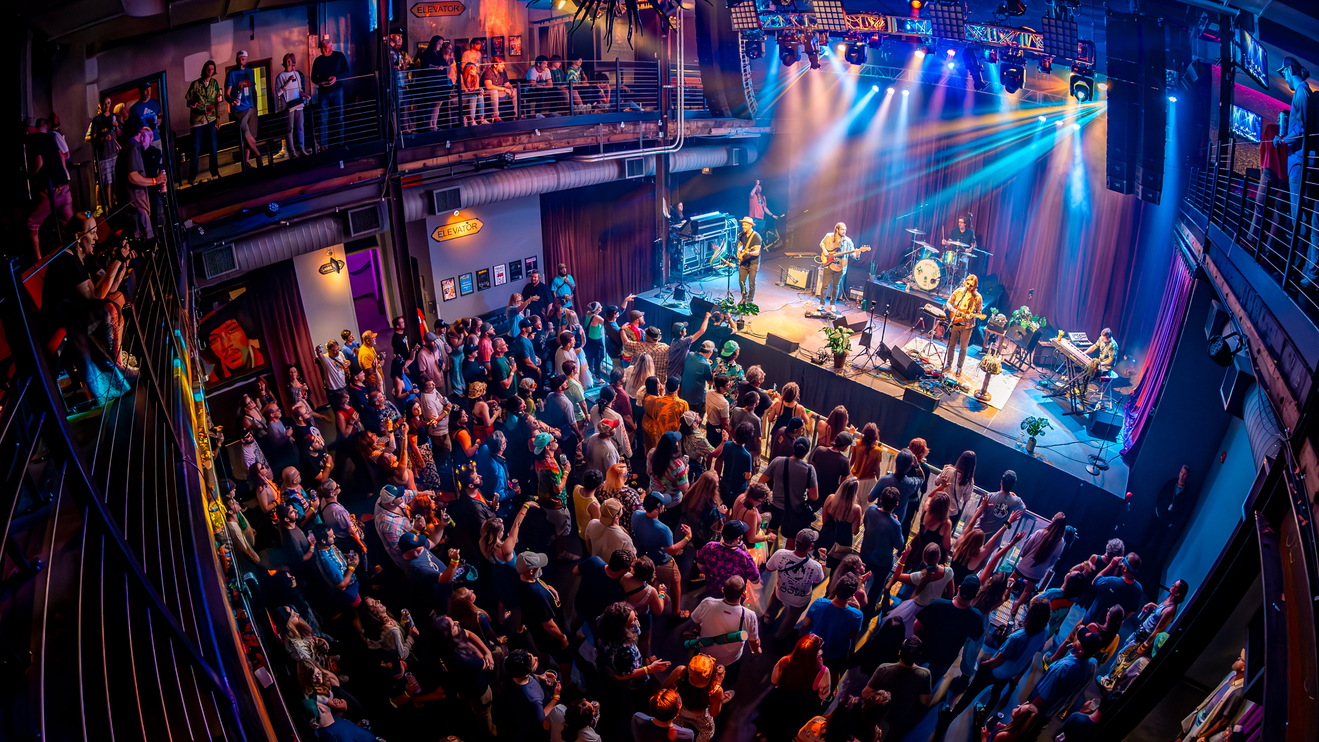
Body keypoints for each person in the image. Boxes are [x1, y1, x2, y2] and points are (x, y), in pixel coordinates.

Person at [937, 597, 1052, 737]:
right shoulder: (1045, 629)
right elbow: (1038, 649)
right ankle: (983, 714)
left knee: (971, 692)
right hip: (1012, 671)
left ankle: (950, 716)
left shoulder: (1017, 637)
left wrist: (984, 665)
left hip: (997, 670)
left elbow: (998, 660)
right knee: (996, 692)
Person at [1274, 56, 1319, 286]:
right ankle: (1307, 273)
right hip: (1306, 163)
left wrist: (1282, 140)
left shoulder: (1300, 92)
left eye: (1284, 74)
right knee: (1310, 219)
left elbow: (1299, 132)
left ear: (1290, 70)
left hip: (1298, 164)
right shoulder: (1307, 92)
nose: (1285, 78)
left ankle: (1293, 271)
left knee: (1298, 219)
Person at [688, 576, 761, 686]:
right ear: (743, 594)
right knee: (728, 681)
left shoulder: (707, 603)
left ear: (723, 590)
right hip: (730, 660)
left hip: (704, 654)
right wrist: (757, 651)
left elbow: (696, 622)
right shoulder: (749, 616)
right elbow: (753, 641)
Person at [915, 574, 986, 684]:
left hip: (921, 650)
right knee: (929, 684)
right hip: (945, 658)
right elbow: (976, 637)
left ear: (958, 588)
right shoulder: (975, 617)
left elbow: (917, 625)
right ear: (975, 596)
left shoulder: (938, 604)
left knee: (909, 675)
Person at [632, 493, 691, 616]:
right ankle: (676, 612)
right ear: (656, 510)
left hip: (643, 560)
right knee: (676, 579)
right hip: (661, 562)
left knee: (651, 582)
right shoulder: (663, 529)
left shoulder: (636, 515)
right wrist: (687, 537)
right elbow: (671, 550)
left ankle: (653, 603)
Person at [799, 573, 863, 686]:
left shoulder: (819, 603)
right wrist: (857, 608)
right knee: (834, 673)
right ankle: (829, 695)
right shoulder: (857, 615)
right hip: (837, 653)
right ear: (852, 595)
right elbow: (853, 636)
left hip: (815, 648)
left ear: (836, 588)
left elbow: (806, 623)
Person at [862, 637, 933, 739]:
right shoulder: (925, 674)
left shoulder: (884, 669)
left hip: (879, 713)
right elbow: (925, 701)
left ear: (900, 652)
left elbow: (865, 693)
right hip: (901, 717)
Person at [763, 528, 827, 640]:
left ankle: (767, 619)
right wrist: (822, 560)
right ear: (810, 547)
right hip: (799, 600)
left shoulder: (780, 554)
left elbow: (768, 568)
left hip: (781, 592)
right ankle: (780, 636)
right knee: (792, 618)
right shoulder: (815, 566)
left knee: (774, 602)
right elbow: (819, 579)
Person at [25, 118, 73, 261]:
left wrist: (29, 175)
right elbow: (61, 154)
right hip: (64, 188)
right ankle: (75, 256)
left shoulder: (33, 139)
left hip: (52, 192)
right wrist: (64, 173)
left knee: (31, 224)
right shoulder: (49, 137)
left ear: (29, 129)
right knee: (69, 225)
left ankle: (39, 263)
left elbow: (39, 162)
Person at [759, 437, 819, 551]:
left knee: (771, 533)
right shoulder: (810, 470)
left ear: (794, 447)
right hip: (795, 510)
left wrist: (768, 495)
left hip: (775, 506)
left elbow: (761, 481)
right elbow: (814, 496)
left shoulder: (778, 461)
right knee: (791, 538)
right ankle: (785, 563)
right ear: (806, 452)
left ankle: (766, 559)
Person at [1007, 512, 1068, 621]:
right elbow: (1054, 559)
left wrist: (1023, 556)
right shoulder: (1061, 542)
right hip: (1038, 572)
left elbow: (1027, 546)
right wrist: (1044, 567)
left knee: (1010, 580)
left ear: (1053, 521)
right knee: (1027, 590)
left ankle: (1002, 595)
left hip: (1024, 566)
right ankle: (1015, 608)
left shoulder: (1040, 532)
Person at [1175, 654, 1246, 742]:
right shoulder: (1232, 674)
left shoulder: (1237, 691)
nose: (1238, 658)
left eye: (1241, 659)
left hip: (1203, 724)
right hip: (1200, 713)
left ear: (1243, 668)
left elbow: (1224, 720)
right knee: (1181, 734)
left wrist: (1204, 735)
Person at [494, 648, 562, 740]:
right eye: (534, 661)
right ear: (530, 670)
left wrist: (540, 677)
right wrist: (556, 697)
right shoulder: (533, 698)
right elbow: (542, 719)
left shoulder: (509, 665)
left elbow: (524, 677)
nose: (536, 657)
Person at [859, 486, 905, 617]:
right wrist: (897, 523)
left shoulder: (870, 510)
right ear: (897, 503)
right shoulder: (895, 524)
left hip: (865, 554)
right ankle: (867, 611)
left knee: (860, 581)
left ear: (881, 499)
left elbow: (865, 523)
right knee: (876, 587)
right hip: (882, 562)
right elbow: (900, 544)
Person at [695, 520, 761, 595]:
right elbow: (756, 580)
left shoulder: (709, 546)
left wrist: (713, 574)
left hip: (711, 592)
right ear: (738, 538)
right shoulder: (744, 557)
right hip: (733, 597)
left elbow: (700, 565)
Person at [224, 51, 263, 169]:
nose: (241, 61)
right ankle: (258, 155)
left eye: (243, 59)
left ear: (246, 59)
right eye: (239, 59)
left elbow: (254, 90)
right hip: (239, 108)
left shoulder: (250, 72)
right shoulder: (232, 74)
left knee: (250, 137)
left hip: (250, 106)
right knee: (247, 134)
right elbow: (227, 93)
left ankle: (246, 162)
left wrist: (255, 107)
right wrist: (231, 101)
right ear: (237, 60)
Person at [185, 61, 222, 183]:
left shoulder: (214, 83)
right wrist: (193, 104)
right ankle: (192, 177)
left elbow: (217, 101)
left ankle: (215, 172)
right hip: (198, 120)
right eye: (208, 69)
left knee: (213, 146)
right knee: (195, 149)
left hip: (211, 118)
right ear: (204, 69)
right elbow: (188, 102)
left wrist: (218, 119)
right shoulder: (195, 84)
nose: (210, 71)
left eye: (212, 69)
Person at [870, 448, 923, 534]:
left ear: (896, 462)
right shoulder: (910, 484)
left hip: (877, 520)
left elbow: (870, 498)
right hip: (894, 524)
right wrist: (917, 466)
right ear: (909, 467)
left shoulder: (884, 480)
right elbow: (921, 478)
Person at [312, 37, 349, 149]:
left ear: (331, 46)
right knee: (323, 119)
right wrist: (321, 83)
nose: (323, 50)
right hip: (324, 92)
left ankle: (340, 143)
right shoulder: (318, 61)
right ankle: (324, 145)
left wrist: (336, 78)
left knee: (339, 117)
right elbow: (313, 78)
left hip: (337, 90)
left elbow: (347, 71)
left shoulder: (339, 56)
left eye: (325, 48)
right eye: (322, 48)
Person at [942, 274, 983, 376]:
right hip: (955, 322)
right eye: (967, 284)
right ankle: (949, 364)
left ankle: (959, 367)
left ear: (975, 286)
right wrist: (953, 310)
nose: (968, 286)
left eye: (971, 285)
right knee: (951, 345)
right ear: (965, 282)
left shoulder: (977, 297)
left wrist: (971, 316)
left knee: (963, 348)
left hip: (967, 326)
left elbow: (979, 313)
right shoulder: (959, 291)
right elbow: (948, 302)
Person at [973, 469, 1025, 549]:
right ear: (1013, 485)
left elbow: (978, 512)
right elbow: (1024, 509)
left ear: (1001, 482)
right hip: (994, 539)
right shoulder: (1016, 501)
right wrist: (1014, 495)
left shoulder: (990, 496)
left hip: (978, 533)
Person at [276, 53, 312, 159]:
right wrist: (286, 83)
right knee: (289, 129)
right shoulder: (281, 76)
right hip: (288, 106)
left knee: (300, 127)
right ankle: (292, 151)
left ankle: (301, 148)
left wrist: (305, 95)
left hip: (298, 104)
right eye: (287, 61)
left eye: (290, 61)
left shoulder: (296, 74)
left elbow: (299, 90)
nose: (289, 63)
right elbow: (278, 93)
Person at [817, 222, 854, 313]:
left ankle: (833, 304)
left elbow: (853, 253)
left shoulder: (848, 241)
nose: (844, 231)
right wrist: (825, 251)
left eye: (845, 229)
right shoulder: (829, 236)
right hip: (829, 265)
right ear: (837, 229)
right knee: (825, 286)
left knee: (836, 287)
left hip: (840, 268)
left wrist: (856, 254)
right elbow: (822, 243)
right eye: (842, 229)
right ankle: (821, 304)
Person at [680, 340, 716, 412]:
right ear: (710, 352)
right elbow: (710, 382)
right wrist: (714, 373)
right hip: (696, 399)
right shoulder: (705, 365)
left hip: (684, 395)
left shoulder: (690, 355)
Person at [483, 56, 519, 121]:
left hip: (499, 92)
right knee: (494, 92)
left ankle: (517, 115)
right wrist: (504, 89)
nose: (504, 66)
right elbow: (489, 86)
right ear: (495, 65)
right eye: (501, 65)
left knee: (515, 91)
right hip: (488, 93)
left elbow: (507, 84)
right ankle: (496, 116)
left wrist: (512, 89)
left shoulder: (503, 71)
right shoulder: (488, 72)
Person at [736, 216, 762, 302]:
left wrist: (749, 253)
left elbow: (757, 251)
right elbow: (739, 244)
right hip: (744, 262)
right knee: (741, 282)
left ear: (750, 226)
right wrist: (739, 252)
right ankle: (744, 298)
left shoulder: (756, 237)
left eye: (745, 225)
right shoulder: (742, 235)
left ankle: (750, 299)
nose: (743, 226)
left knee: (751, 283)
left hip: (753, 263)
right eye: (743, 225)